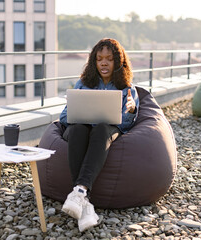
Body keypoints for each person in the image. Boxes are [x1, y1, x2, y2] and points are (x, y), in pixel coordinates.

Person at [59, 38, 139, 232]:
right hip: (81, 131)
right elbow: (63, 117)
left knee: (102, 128)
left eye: (109, 59)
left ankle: (79, 195)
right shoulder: (83, 83)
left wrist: (130, 110)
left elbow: (127, 125)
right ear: (94, 61)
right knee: (78, 129)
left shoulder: (126, 87)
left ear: (117, 62)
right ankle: (83, 201)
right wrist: (80, 113)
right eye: (99, 58)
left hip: (105, 131)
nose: (104, 62)